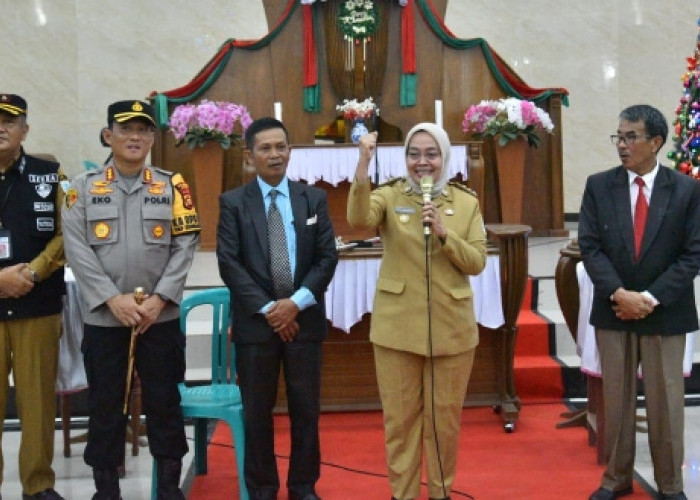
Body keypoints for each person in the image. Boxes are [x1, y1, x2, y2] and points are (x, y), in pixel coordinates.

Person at [62, 100, 201, 500]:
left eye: (143, 130)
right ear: (109, 136)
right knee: (106, 407)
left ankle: (170, 489)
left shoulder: (172, 185)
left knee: (164, 405)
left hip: (159, 320)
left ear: (154, 138)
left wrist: (160, 299)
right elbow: (77, 249)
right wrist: (111, 300)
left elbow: (186, 243)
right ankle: (106, 491)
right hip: (107, 321)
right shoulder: (82, 188)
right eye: (126, 129)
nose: (135, 137)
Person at [347, 124, 487, 500]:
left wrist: (444, 233)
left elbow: (476, 262)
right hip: (397, 329)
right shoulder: (390, 196)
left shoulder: (466, 202)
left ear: (444, 156)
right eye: (414, 154)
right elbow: (359, 220)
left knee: (444, 424)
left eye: (431, 154)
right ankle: (403, 495)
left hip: (451, 329)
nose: (422, 162)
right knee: (401, 424)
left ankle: (441, 493)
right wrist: (363, 162)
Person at [578, 104, 700, 500]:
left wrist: (648, 298)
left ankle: (670, 486)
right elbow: (591, 247)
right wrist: (619, 294)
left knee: (667, 405)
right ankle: (616, 479)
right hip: (614, 309)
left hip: (665, 312)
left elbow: (693, 254)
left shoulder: (686, 190)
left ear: (656, 142)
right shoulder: (599, 185)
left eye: (631, 137)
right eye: (619, 136)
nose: (622, 145)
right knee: (617, 401)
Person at [217, 117, 338, 500]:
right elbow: (229, 264)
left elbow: (327, 258)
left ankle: (303, 487)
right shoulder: (233, 203)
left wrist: (294, 305)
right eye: (265, 148)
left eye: (281, 147)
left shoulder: (313, 198)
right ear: (249, 155)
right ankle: (262, 488)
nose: (274, 155)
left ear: (290, 150)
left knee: (306, 411)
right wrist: (273, 310)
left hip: (304, 322)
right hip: (257, 326)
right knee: (257, 413)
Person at [0, 94, 67, 500]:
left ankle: (38, 485)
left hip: (36, 304)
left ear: (25, 129)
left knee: (38, 401)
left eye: (10, 121)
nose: (1, 127)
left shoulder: (50, 174)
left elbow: (68, 232)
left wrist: (33, 270)